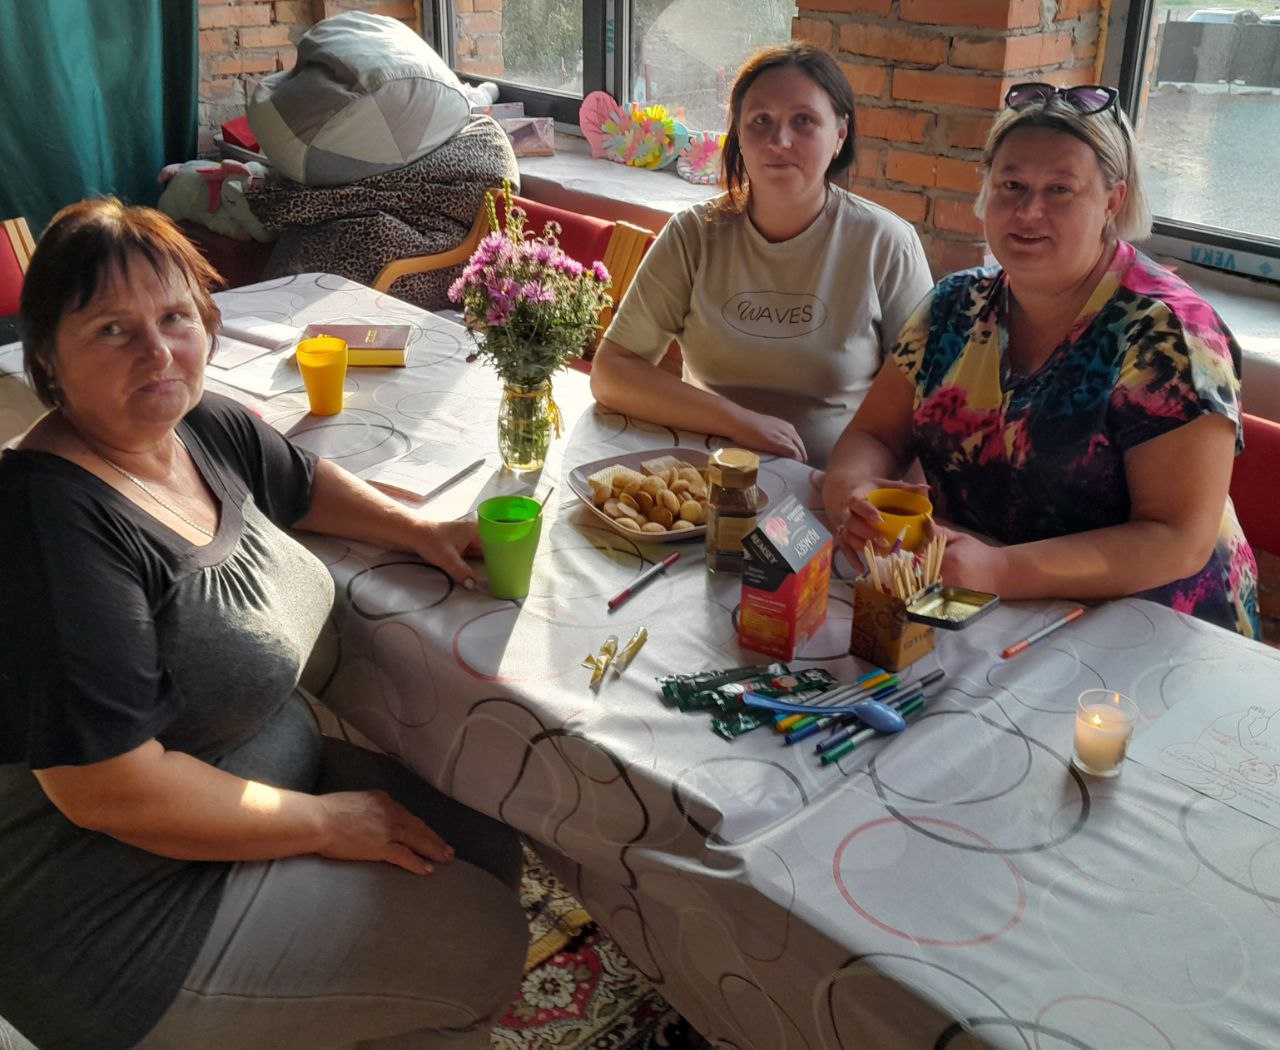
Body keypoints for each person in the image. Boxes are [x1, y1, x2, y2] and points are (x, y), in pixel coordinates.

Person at [0, 199, 528, 1049]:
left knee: (481, 841)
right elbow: (109, 791)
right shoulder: (46, 524)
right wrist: (330, 824)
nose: (157, 352)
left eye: (175, 318)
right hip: (118, 909)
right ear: (49, 365)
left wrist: (418, 529)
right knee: (483, 940)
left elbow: (301, 482)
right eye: (111, 330)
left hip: (251, 788)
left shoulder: (194, 425)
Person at [823, 83, 1259, 638]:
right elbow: (875, 436)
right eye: (1012, 185)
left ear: (1112, 201)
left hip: (1154, 631)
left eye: (1060, 189)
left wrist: (1001, 570)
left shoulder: (1168, 333)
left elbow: (1177, 540)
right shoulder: (954, 306)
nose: (1029, 211)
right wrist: (852, 494)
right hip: (981, 610)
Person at [590, 42, 933, 469]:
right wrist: (738, 421)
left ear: (839, 135)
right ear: (739, 134)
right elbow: (612, 373)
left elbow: (928, 404)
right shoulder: (693, 235)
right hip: (705, 482)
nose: (779, 141)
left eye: (803, 120)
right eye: (761, 121)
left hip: (831, 486)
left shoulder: (886, 244)